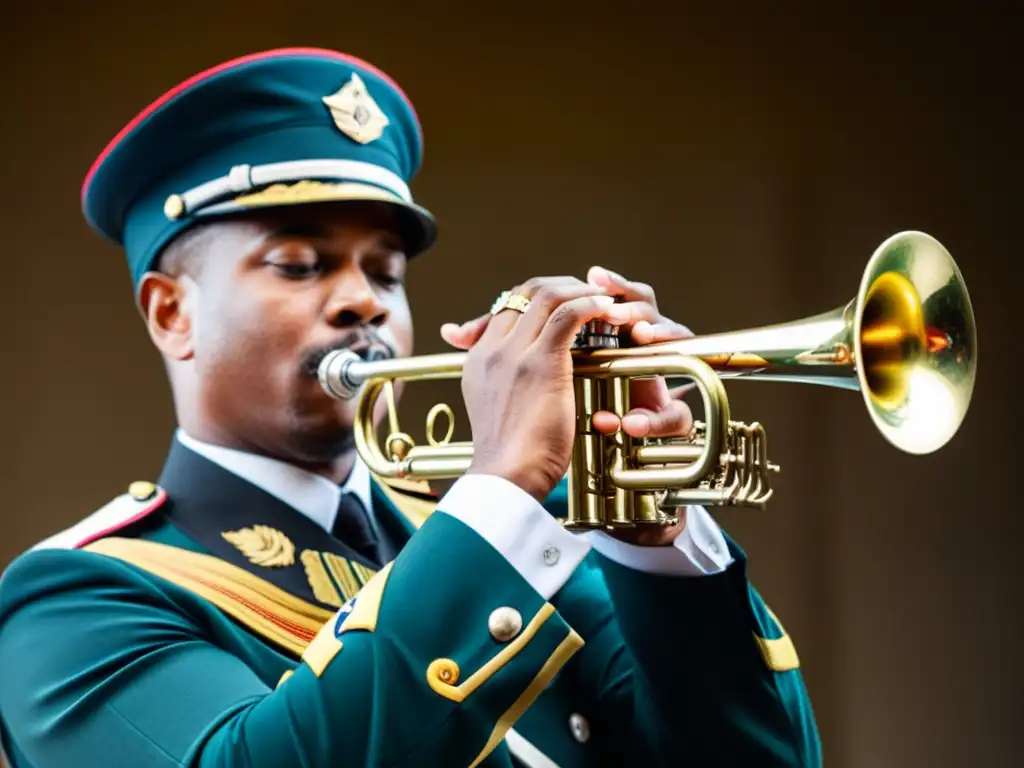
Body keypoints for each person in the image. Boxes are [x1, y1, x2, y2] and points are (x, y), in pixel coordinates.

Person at [0, 47, 820, 767]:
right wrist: (499, 488)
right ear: (171, 313)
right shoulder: (75, 603)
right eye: (298, 264)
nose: (363, 301)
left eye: (386, 273)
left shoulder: (522, 528)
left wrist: (656, 543)